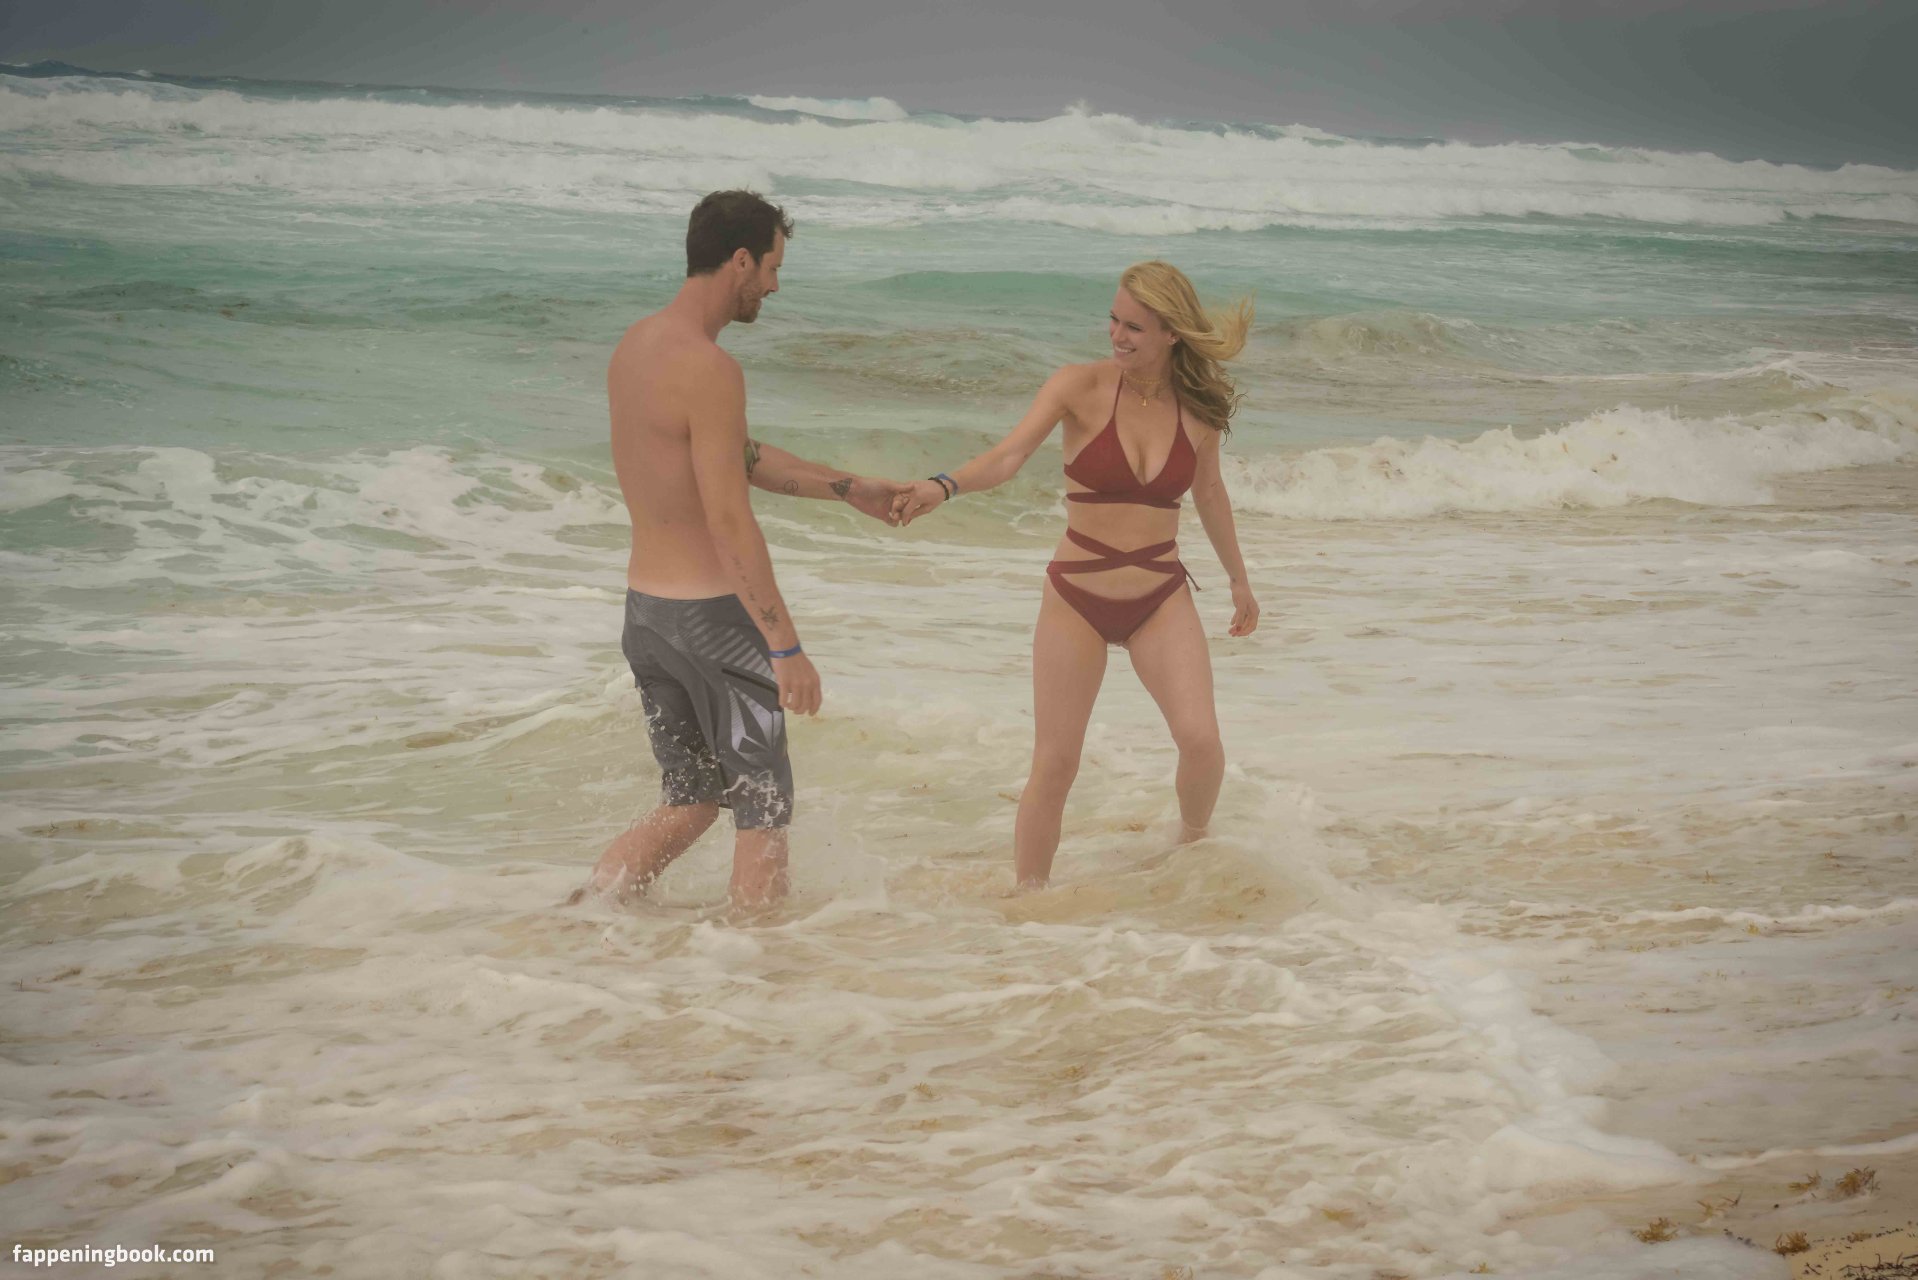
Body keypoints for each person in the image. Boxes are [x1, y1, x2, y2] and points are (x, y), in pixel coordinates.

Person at [572, 190, 909, 911]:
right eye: (773, 268)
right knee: (763, 807)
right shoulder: (710, 368)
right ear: (740, 261)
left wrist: (849, 488)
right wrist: (785, 647)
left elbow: (735, 456)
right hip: (713, 624)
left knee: (691, 800)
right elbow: (729, 519)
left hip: (648, 618)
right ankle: (759, 961)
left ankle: (582, 918)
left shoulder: (636, 347)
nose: (775, 287)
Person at [894, 261, 1259, 890]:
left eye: (1134, 327)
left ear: (1171, 332)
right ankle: (1028, 899)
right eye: (1113, 320)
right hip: (1077, 597)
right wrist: (942, 485)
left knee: (1201, 741)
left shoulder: (1197, 410)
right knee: (1057, 761)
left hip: (1159, 596)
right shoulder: (1078, 387)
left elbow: (1210, 493)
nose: (1117, 335)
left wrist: (1238, 580)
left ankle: (1192, 848)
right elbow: (1008, 457)